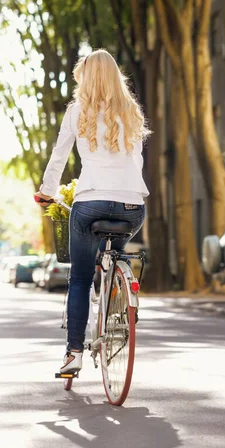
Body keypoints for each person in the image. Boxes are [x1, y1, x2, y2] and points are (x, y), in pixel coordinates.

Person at [34, 49, 150, 374]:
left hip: (90, 204)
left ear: (85, 79)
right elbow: (137, 161)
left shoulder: (77, 111)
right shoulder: (131, 111)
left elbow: (59, 158)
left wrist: (47, 193)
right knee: (115, 251)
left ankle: (74, 353)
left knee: (80, 278)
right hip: (133, 206)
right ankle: (118, 289)